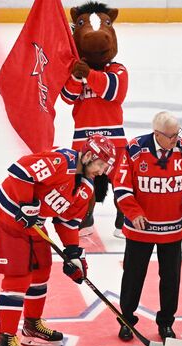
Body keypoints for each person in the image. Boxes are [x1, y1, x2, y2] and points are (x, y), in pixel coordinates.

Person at [0, 134, 116, 346]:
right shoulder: (61, 161)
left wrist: (74, 253)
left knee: (42, 269)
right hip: (9, 216)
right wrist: (25, 203)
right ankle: (5, 343)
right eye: (100, 164)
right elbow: (21, 171)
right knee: (18, 278)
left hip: (34, 222)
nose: (101, 171)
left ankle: (31, 326)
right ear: (88, 156)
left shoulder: (85, 187)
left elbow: (67, 220)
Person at [113, 111, 182, 341]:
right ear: (157, 134)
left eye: (178, 133)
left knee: (171, 278)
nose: (176, 139)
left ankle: (166, 323)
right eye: (171, 135)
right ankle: (126, 320)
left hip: (172, 231)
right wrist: (133, 213)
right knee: (133, 276)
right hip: (139, 230)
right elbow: (121, 187)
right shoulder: (135, 149)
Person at [61, 1, 128, 238]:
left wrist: (88, 74)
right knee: (81, 181)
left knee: (120, 181)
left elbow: (112, 92)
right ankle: (84, 219)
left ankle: (123, 221)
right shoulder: (75, 70)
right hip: (83, 138)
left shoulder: (118, 70)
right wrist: (77, 76)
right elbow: (68, 97)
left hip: (114, 139)